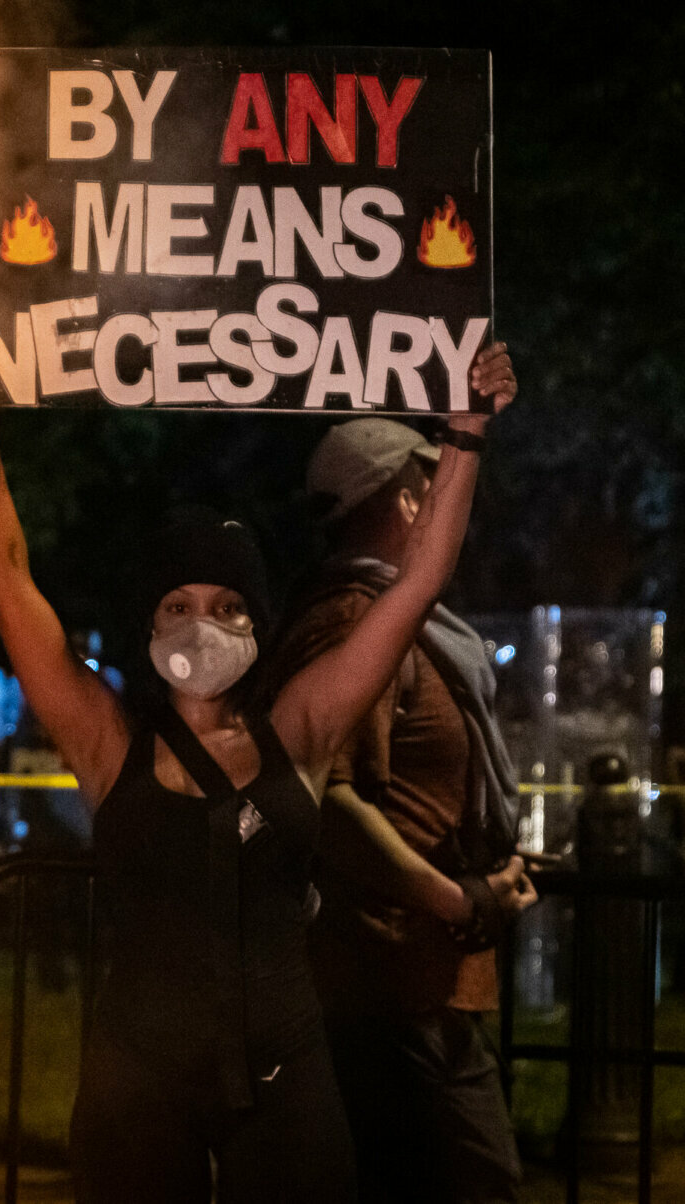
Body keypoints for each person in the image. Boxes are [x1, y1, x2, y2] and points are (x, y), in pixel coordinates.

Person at [0, 337, 517, 1203]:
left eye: (226, 606)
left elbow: (414, 586)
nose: (200, 625)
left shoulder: (302, 728)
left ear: (257, 624)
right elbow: (10, 582)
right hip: (137, 1077)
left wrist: (464, 435)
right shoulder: (107, 743)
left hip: (284, 1075)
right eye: (178, 605)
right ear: (148, 626)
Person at [264, 415, 539, 1204]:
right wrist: (456, 898)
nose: (447, 503)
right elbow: (325, 801)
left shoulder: (386, 618)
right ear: (401, 501)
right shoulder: (357, 622)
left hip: (416, 985)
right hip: (387, 991)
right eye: (430, 483)